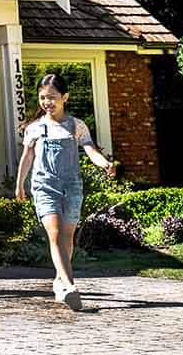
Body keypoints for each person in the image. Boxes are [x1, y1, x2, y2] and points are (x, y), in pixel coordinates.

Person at [14, 73, 115, 310]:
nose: (47, 102)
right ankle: (70, 286)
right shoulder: (35, 128)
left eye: (52, 97)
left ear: (64, 97)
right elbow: (27, 158)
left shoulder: (76, 126)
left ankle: (59, 281)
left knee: (68, 237)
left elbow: (90, 150)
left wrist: (104, 163)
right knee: (55, 233)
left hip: (71, 186)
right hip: (44, 185)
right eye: (42, 98)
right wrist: (20, 185)